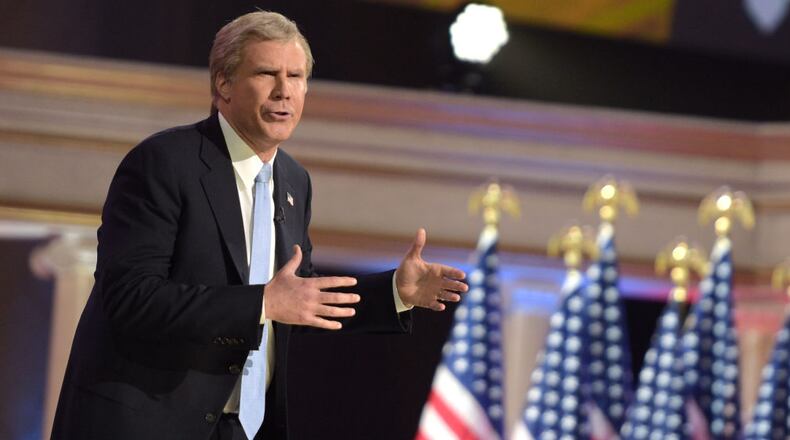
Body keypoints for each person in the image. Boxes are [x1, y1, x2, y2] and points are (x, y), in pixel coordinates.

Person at [51, 10, 468, 440]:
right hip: (146, 424)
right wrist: (262, 305)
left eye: (297, 76)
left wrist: (394, 293)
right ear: (223, 84)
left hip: (241, 429)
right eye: (267, 73)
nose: (284, 91)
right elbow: (131, 299)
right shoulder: (163, 163)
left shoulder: (293, 181)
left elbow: (299, 295)